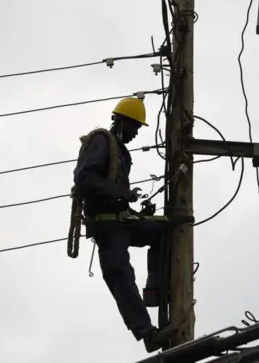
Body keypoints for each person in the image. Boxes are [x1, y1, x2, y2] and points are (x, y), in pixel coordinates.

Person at [72, 97, 178, 352]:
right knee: (121, 274)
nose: (136, 133)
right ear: (121, 121)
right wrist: (121, 192)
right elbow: (84, 178)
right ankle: (147, 334)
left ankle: (155, 288)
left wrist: (131, 205)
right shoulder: (100, 141)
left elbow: (113, 191)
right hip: (106, 226)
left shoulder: (119, 150)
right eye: (135, 127)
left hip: (120, 220)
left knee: (163, 229)